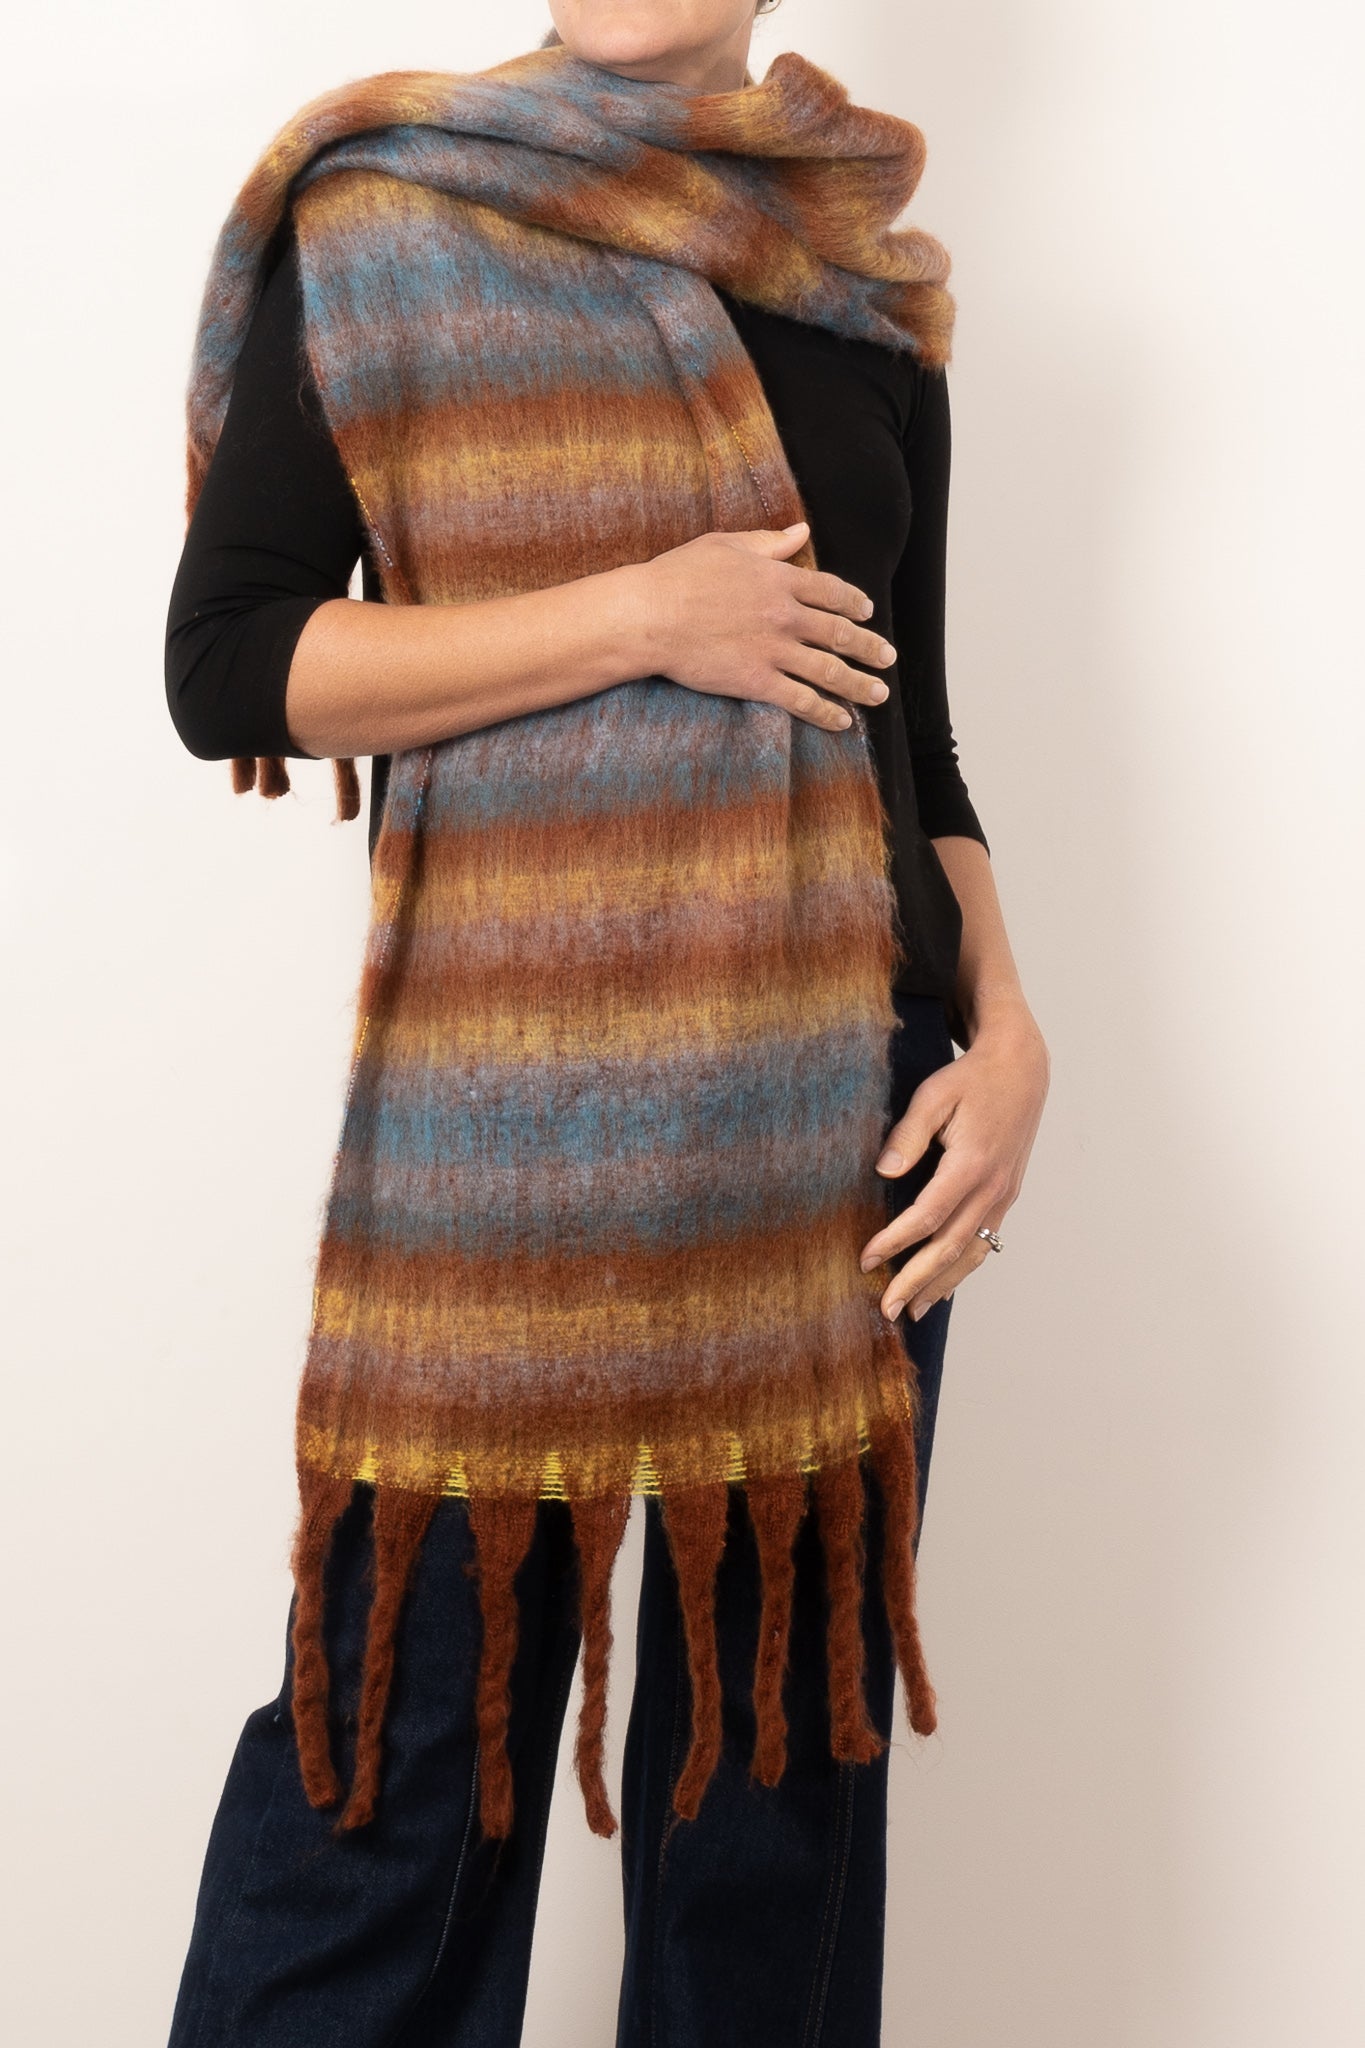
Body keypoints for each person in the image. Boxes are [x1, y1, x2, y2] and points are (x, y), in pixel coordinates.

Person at [163, 5, 1049, 2043]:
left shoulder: (850, 278)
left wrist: (1005, 1036)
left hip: (847, 1130)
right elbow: (229, 660)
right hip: (512, 1134)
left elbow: (909, 738)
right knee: (397, 1763)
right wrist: (639, 614)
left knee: (775, 1811)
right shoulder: (389, 214)